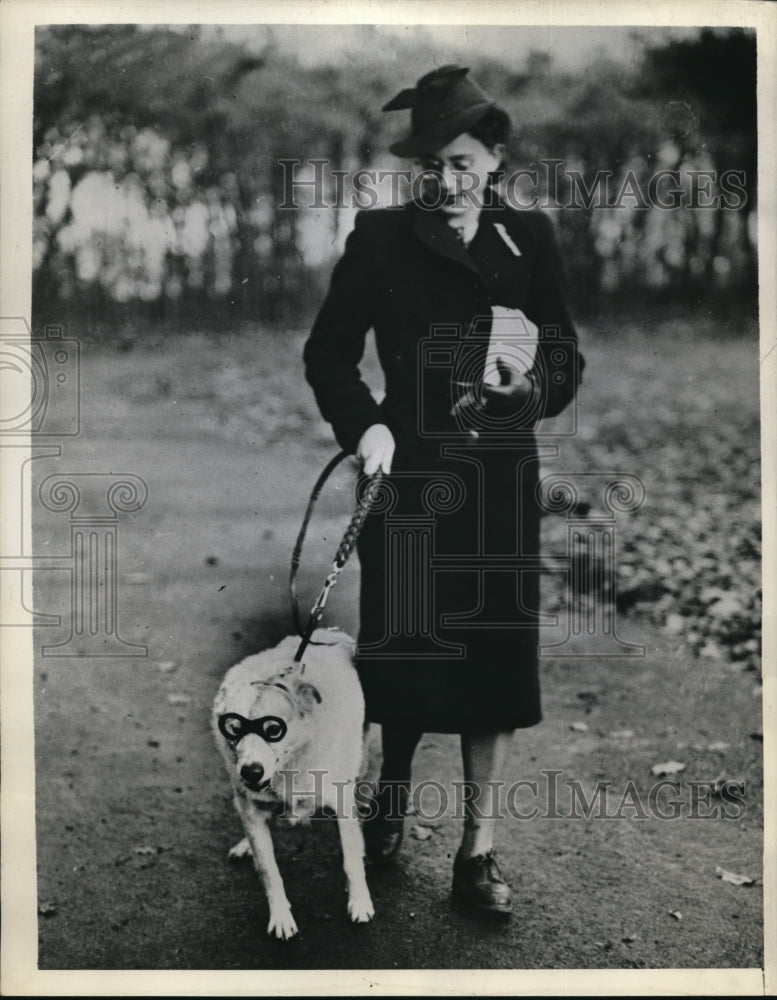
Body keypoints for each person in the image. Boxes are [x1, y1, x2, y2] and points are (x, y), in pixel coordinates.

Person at [303, 64, 585, 917]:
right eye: (429, 163)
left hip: (499, 477)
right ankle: (389, 796)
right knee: (408, 650)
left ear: (495, 158)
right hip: (410, 474)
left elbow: (564, 357)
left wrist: (526, 394)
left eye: (461, 162)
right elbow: (327, 355)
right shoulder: (382, 236)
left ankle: (478, 851)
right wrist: (367, 428)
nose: (444, 179)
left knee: (493, 664)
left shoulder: (527, 238)